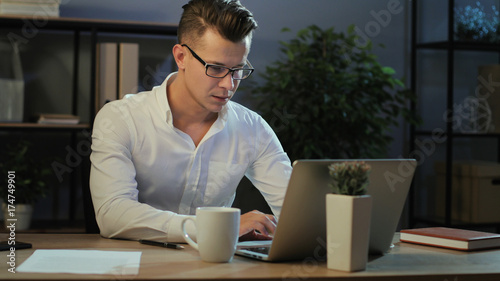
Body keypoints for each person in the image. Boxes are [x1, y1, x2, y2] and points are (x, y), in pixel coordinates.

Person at [89, 0, 292, 243]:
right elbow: (113, 215)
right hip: (135, 267)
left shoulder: (253, 128)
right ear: (181, 56)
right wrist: (219, 227)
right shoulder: (120, 119)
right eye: (216, 68)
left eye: (238, 70)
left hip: (215, 267)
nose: (229, 85)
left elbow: (295, 210)